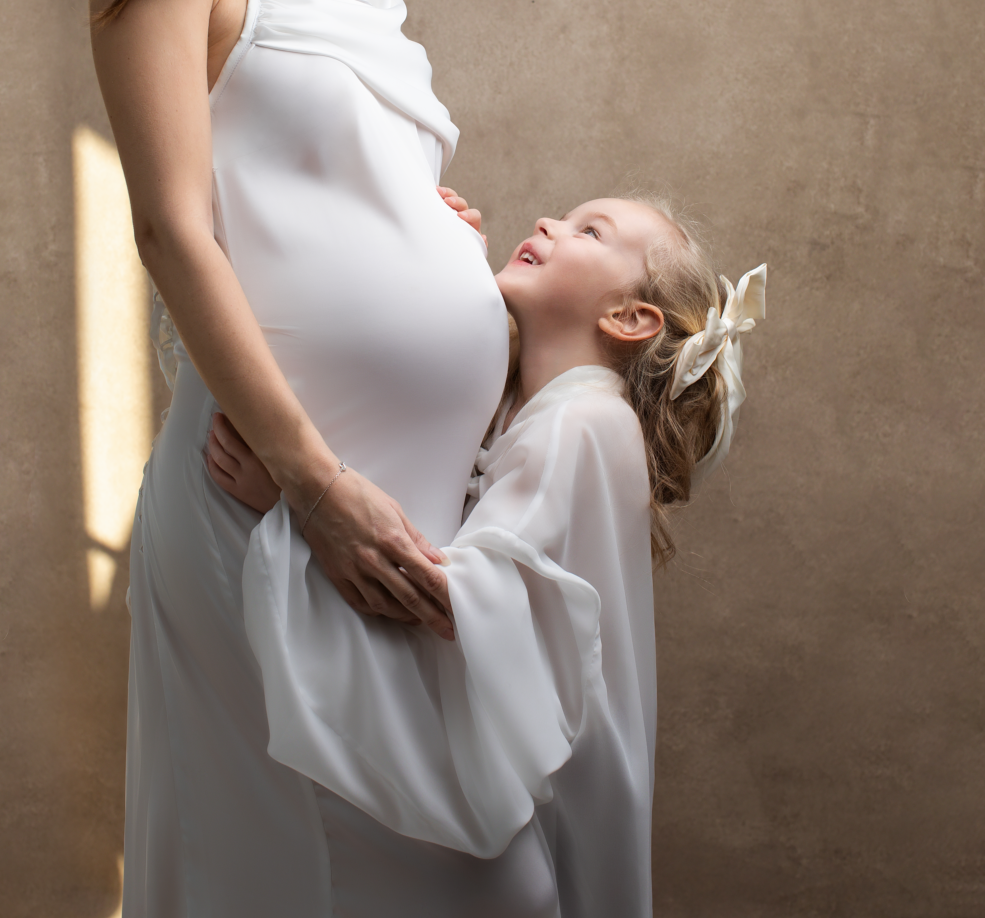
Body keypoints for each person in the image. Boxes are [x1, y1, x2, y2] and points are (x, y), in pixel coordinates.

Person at [65, 0, 560, 916]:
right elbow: (175, 229)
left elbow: (314, 159)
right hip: (274, 498)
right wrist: (310, 478)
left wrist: (414, 215)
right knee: (278, 862)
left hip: (392, 495)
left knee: (473, 872)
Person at [208, 196, 767, 918]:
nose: (548, 225)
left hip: (532, 833)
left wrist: (296, 499)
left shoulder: (586, 422)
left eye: (588, 232)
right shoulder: (529, 408)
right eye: (563, 218)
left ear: (629, 319)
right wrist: (421, 232)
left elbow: (456, 603)